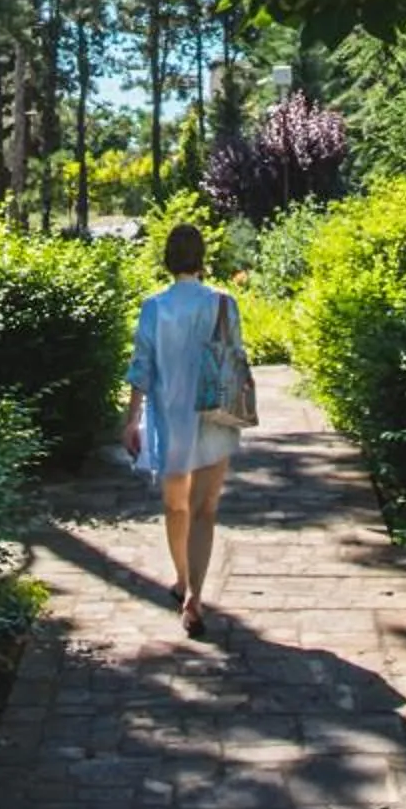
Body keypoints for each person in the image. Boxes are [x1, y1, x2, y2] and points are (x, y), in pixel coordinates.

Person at [121, 221, 244, 636]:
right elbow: (236, 358)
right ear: (202, 258)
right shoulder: (224, 303)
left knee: (176, 507)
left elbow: (142, 366)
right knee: (205, 511)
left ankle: (181, 579)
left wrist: (132, 418)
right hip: (214, 417)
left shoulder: (154, 307)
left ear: (168, 259)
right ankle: (195, 594)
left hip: (170, 420)